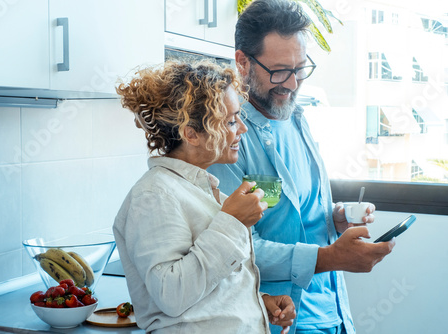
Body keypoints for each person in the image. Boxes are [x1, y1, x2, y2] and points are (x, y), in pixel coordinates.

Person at [208, 1, 396, 333]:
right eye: (279, 71)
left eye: (300, 69)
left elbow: (299, 216)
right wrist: (331, 257)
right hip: (284, 319)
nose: (293, 84)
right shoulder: (227, 140)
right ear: (242, 63)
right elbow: (235, 250)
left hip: (334, 313)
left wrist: (336, 217)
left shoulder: (295, 117)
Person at [113, 59, 296, 334]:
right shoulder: (154, 195)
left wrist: (257, 304)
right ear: (192, 134)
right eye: (232, 121)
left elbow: (206, 295)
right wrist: (233, 222)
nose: (242, 129)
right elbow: (171, 295)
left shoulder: (203, 190)